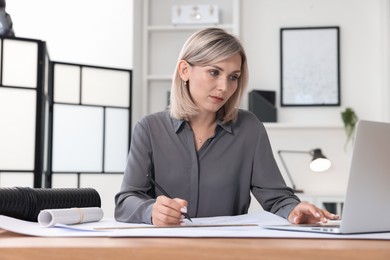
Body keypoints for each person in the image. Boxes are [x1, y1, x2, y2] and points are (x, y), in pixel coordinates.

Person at [115, 27, 339, 226]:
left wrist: (294, 209)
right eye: (214, 72)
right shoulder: (150, 129)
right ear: (185, 70)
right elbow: (126, 201)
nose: (224, 86)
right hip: (164, 249)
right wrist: (151, 211)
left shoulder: (250, 128)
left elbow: (277, 197)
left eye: (233, 77)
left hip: (229, 249)